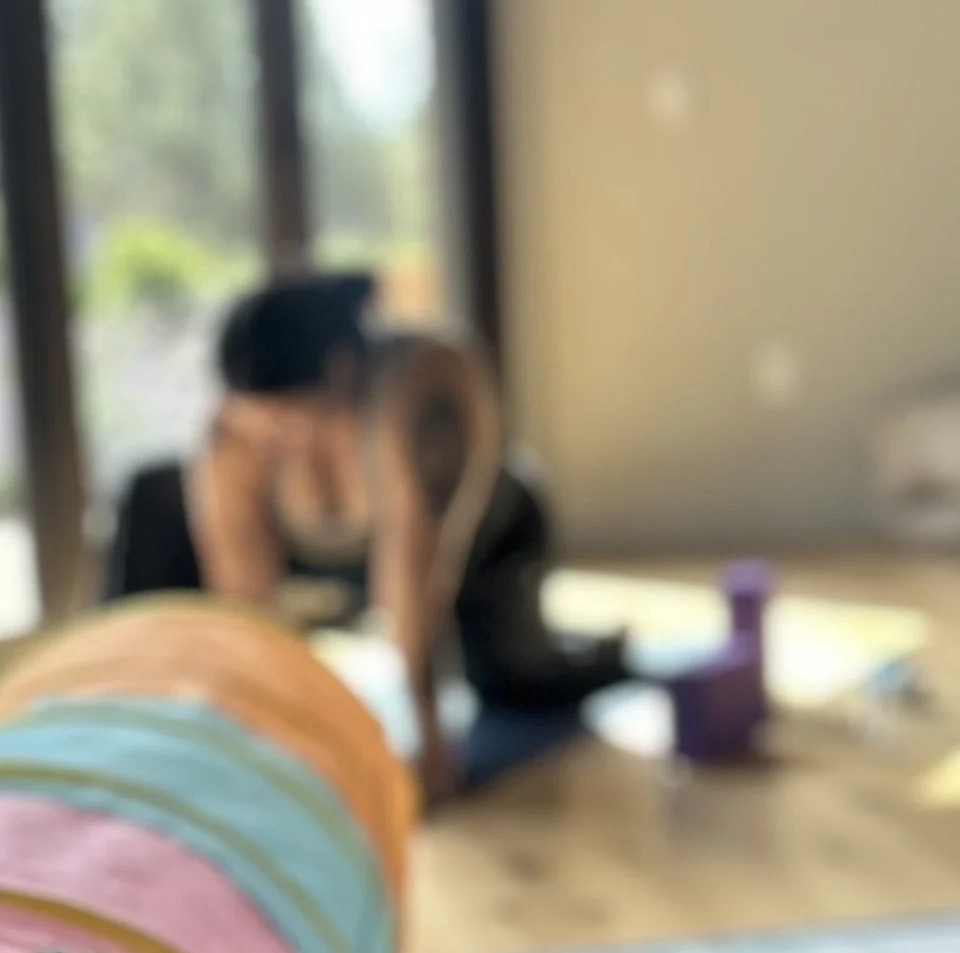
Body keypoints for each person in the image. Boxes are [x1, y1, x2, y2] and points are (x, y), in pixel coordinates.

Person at [106, 271, 626, 804]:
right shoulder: (238, 428)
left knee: (518, 688)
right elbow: (245, 600)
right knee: (150, 493)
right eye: (255, 422)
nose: (266, 439)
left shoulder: (418, 386)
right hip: (337, 561)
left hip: (482, 545)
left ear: (337, 372)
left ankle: (610, 651)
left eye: (283, 420)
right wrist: (265, 746)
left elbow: (417, 571)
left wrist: (428, 740)